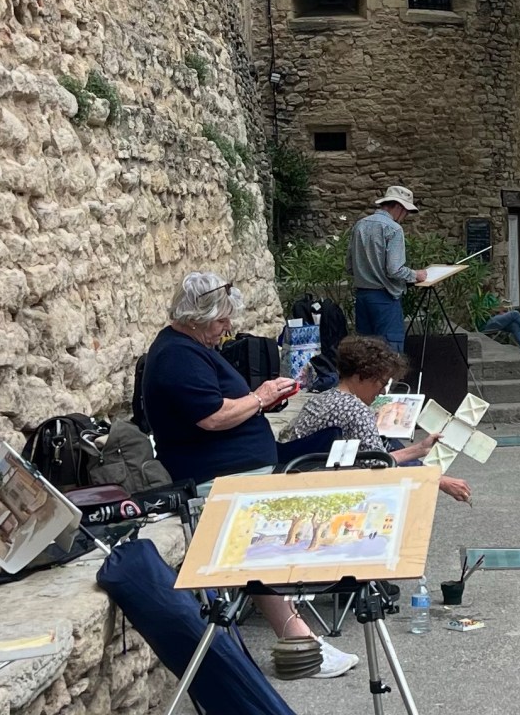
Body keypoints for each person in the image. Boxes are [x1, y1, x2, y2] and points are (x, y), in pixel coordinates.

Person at [143, 271, 358, 678]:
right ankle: (301, 642)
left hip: (234, 469)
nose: (227, 329)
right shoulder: (176, 355)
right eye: (221, 321)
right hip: (215, 477)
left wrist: (264, 400)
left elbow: (223, 405)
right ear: (197, 318)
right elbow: (212, 416)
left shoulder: (189, 348)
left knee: (290, 529)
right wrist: (259, 399)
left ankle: (301, 639)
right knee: (264, 544)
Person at [288, 336, 473, 503]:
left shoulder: (320, 399)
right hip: (325, 488)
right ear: (361, 377)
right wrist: (439, 480)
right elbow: (382, 470)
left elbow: (373, 458)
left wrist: (418, 449)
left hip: (304, 476)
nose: (383, 391)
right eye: (382, 382)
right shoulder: (355, 410)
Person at [346, 185, 427, 352]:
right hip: (384, 298)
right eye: (406, 212)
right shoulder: (393, 229)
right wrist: (416, 275)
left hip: (362, 297)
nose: (405, 217)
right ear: (398, 207)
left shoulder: (360, 225)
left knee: (364, 353)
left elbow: (349, 266)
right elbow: (394, 270)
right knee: (390, 353)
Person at [477, 282, 520, 354]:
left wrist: (500, 311)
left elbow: (500, 308)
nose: (490, 288)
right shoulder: (479, 298)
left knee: (514, 325)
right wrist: (496, 310)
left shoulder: (491, 297)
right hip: (486, 323)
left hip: (497, 319)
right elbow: (486, 311)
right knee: (515, 313)